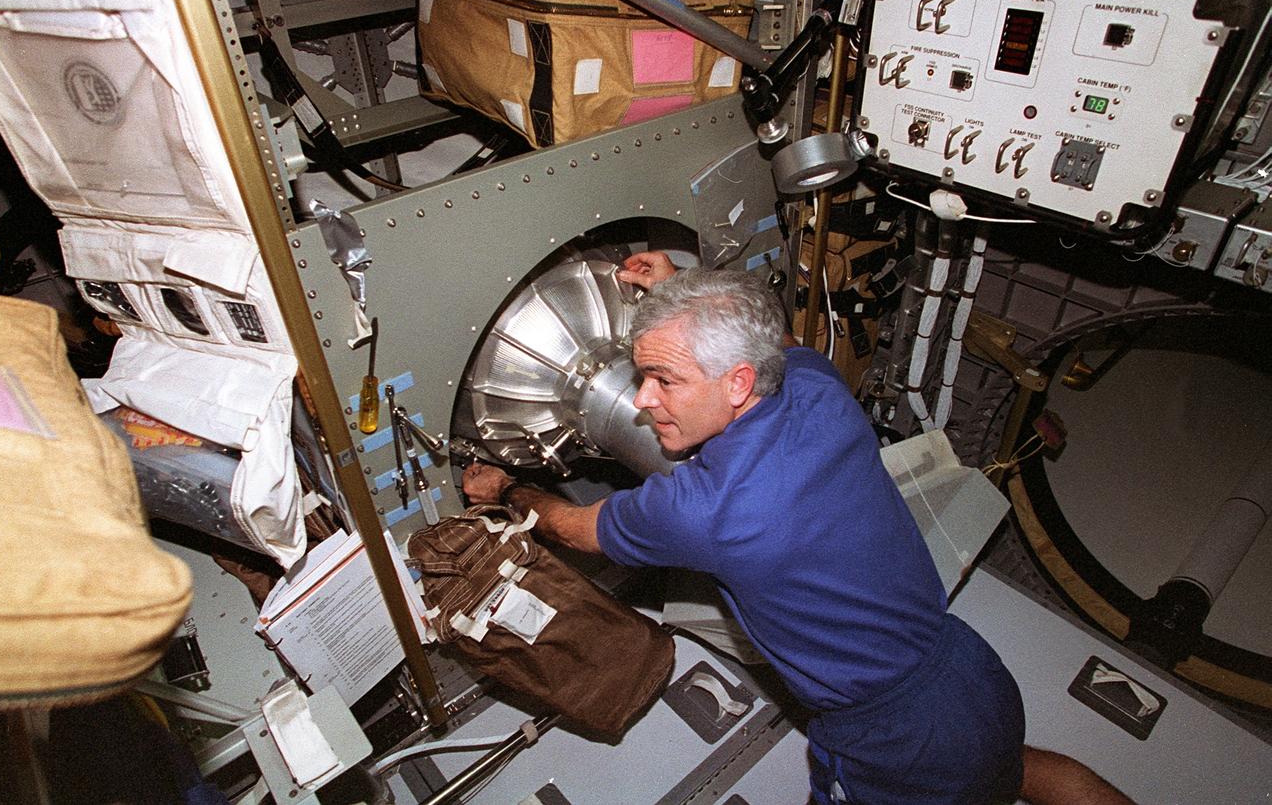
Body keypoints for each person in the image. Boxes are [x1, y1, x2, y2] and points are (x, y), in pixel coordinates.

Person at [462, 252, 1132, 805]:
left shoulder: (704, 509)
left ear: (736, 383)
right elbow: (781, 345)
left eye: (663, 378)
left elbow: (574, 527)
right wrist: (680, 292)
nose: (642, 398)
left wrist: (506, 487)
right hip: (970, 672)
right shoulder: (818, 389)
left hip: (889, 736)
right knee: (1006, 770)